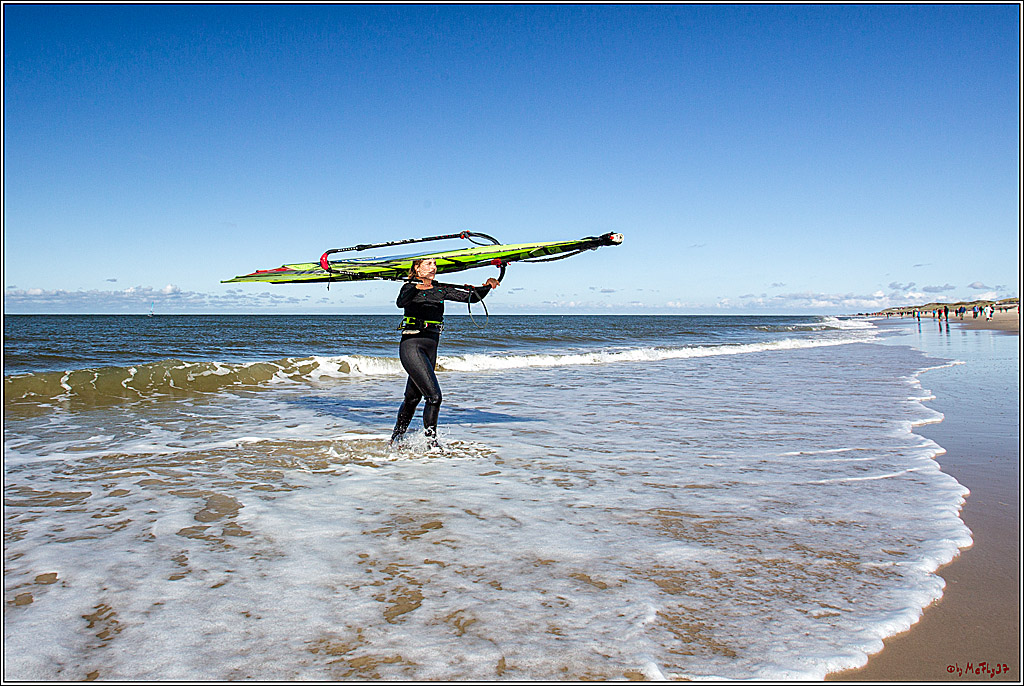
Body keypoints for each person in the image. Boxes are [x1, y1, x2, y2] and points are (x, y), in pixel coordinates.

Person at [389, 258, 500, 448]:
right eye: (428, 264)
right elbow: (401, 302)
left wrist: (488, 285)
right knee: (434, 397)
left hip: (431, 346)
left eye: (434, 264)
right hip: (412, 344)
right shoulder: (409, 287)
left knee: (412, 398)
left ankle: (395, 441)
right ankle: (431, 444)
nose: (433, 267)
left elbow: (471, 297)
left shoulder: (441, 288)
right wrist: (417, 287)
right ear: (417, 268)